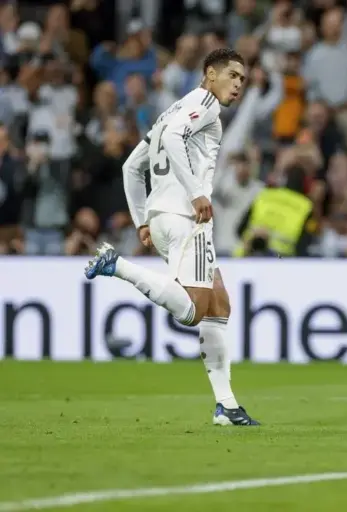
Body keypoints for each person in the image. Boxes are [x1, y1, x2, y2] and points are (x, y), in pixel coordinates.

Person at [84, 48, 260, 427]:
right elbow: (178, 139)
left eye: (242, 80)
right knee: (196, 310)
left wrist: (142, 220)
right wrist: (197, 192)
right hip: (186, 217)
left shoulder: (171, 112)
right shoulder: (205, 105)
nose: (238, 85)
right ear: (209, 74)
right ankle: (119, 266)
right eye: (232, 76)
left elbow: (132, 166)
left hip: (162, 217)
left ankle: (226, 406)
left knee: (219, 305)